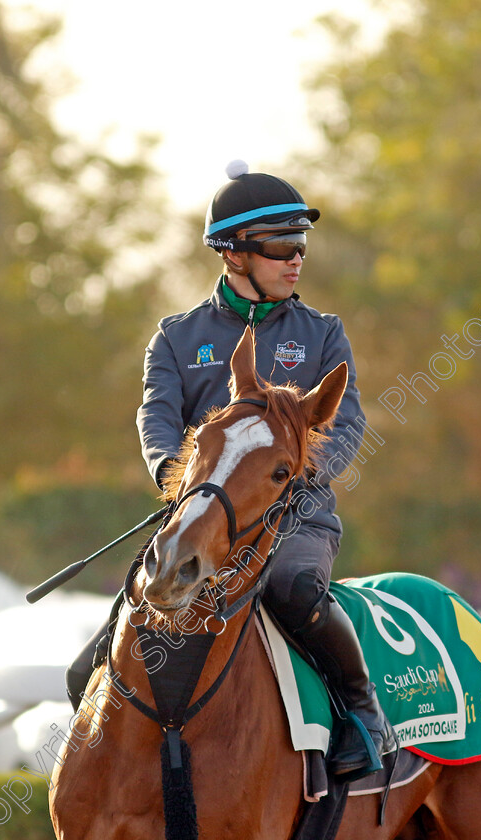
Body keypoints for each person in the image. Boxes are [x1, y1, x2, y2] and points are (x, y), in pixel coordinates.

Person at [135, 161, 396, 780]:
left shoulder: (324, 334)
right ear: (232, 254)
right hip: (200, 514)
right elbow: (158, 418)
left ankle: (364, 713)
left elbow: (345, 425)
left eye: (300, 246)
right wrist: (185, 485)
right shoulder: (175, 337)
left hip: (292, 518)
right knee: (116, 627)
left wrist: (291, 482)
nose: (295, 259)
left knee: (292, 590)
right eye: (281, 246)